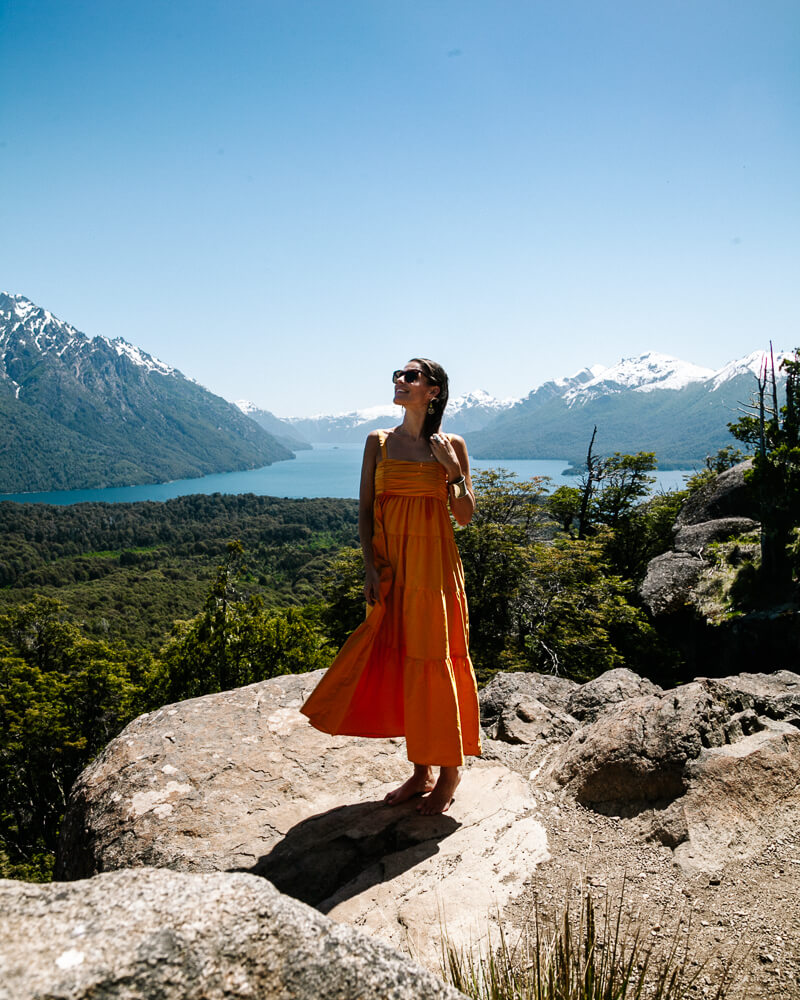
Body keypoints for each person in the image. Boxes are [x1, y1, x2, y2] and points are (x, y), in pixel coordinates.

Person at [300, 358, 481, 815]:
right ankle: (420, 771)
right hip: (391, 570)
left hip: (434, 571)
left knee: (433, 660)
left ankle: (449, 771)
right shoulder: (377, 443)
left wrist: (451, 470)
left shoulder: (452, 445)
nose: (400, 381)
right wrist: (367, 567)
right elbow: (364, 511)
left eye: (411, 376)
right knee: (402, 661)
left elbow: (465, 516)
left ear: (433, 391)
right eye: (398, 375)